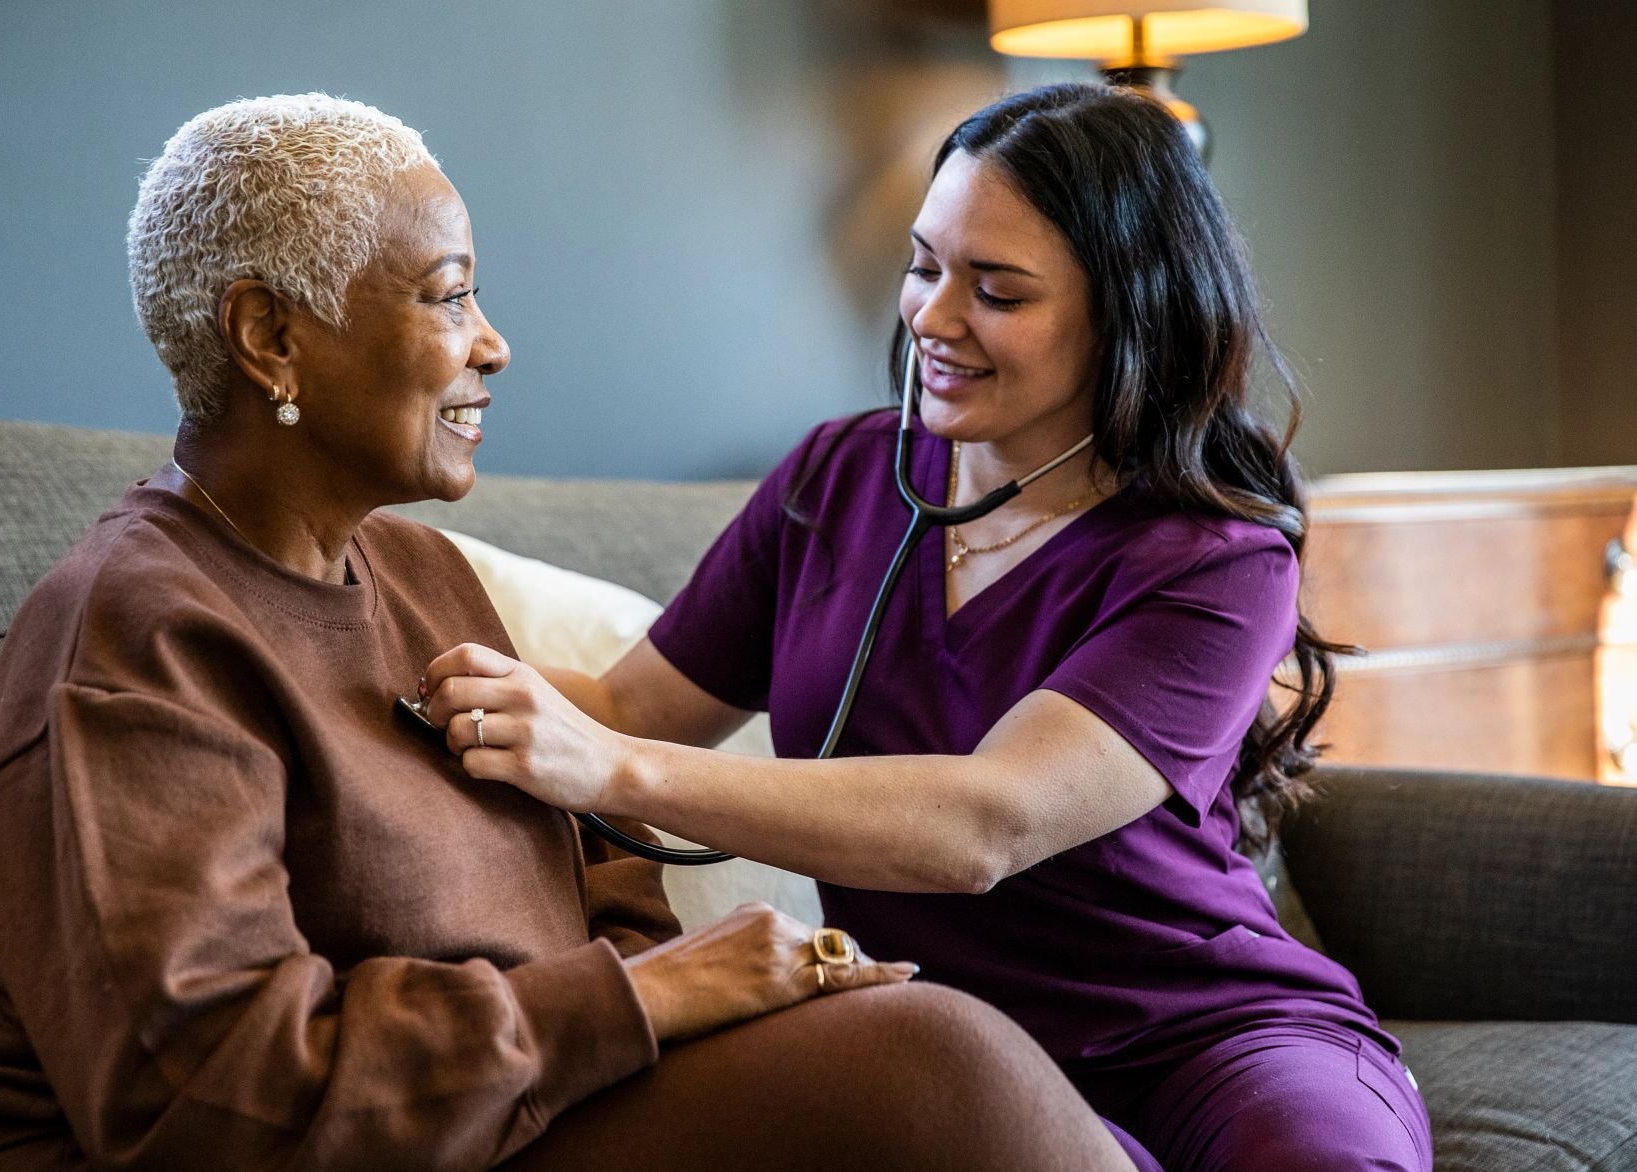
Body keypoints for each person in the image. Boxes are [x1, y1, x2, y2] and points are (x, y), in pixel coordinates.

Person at [0, 93, 1137, 1172]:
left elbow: (606, 884)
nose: (493, 342)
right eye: (447, 292)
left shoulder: (417, 571)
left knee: (938, 1064)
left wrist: (681, 994)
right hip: (366, 1141)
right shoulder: (134, 634)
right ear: (271, 338)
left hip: (539, 1104)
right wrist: (642, 1001)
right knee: (931, 1072)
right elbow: (215, 1101)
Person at [422, 84, 1434, 1171]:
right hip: (955, 1049)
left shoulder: (1215, 558)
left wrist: (615, 770)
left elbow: (984, 825)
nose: (933, 317)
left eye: (996, 290)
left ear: (1130, 311)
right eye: (923, 266)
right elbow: (629, 702)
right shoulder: (836, 477)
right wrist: (393, 667)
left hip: (1214, 1037)